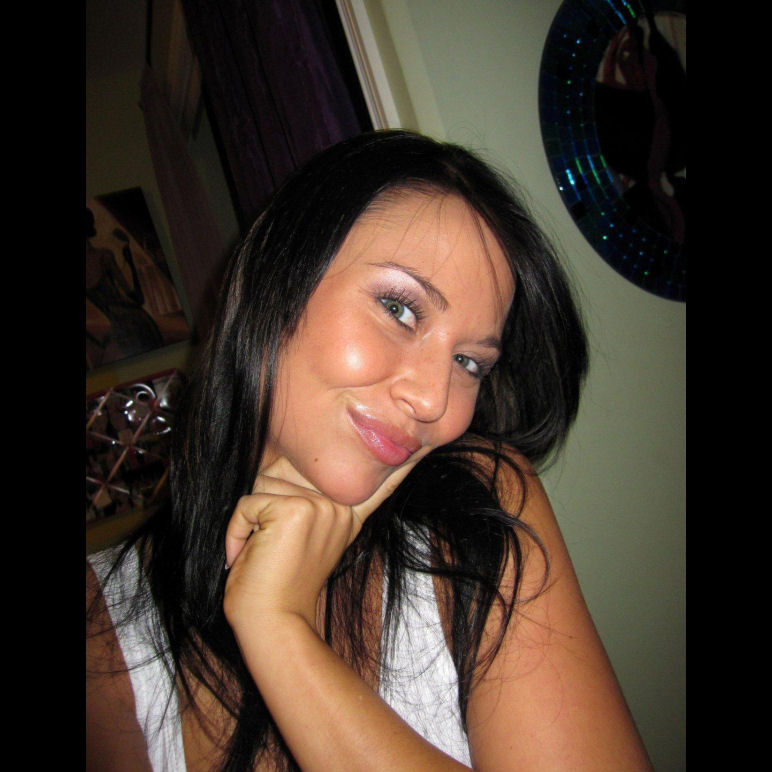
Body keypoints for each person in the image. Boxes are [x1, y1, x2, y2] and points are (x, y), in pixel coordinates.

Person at [86, 130, 653, 771]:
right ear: (275, 275)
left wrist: (279, 629)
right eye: (399, 308)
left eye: (469, 362)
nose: (434, 400)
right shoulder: (102, 627)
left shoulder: (481, 512)